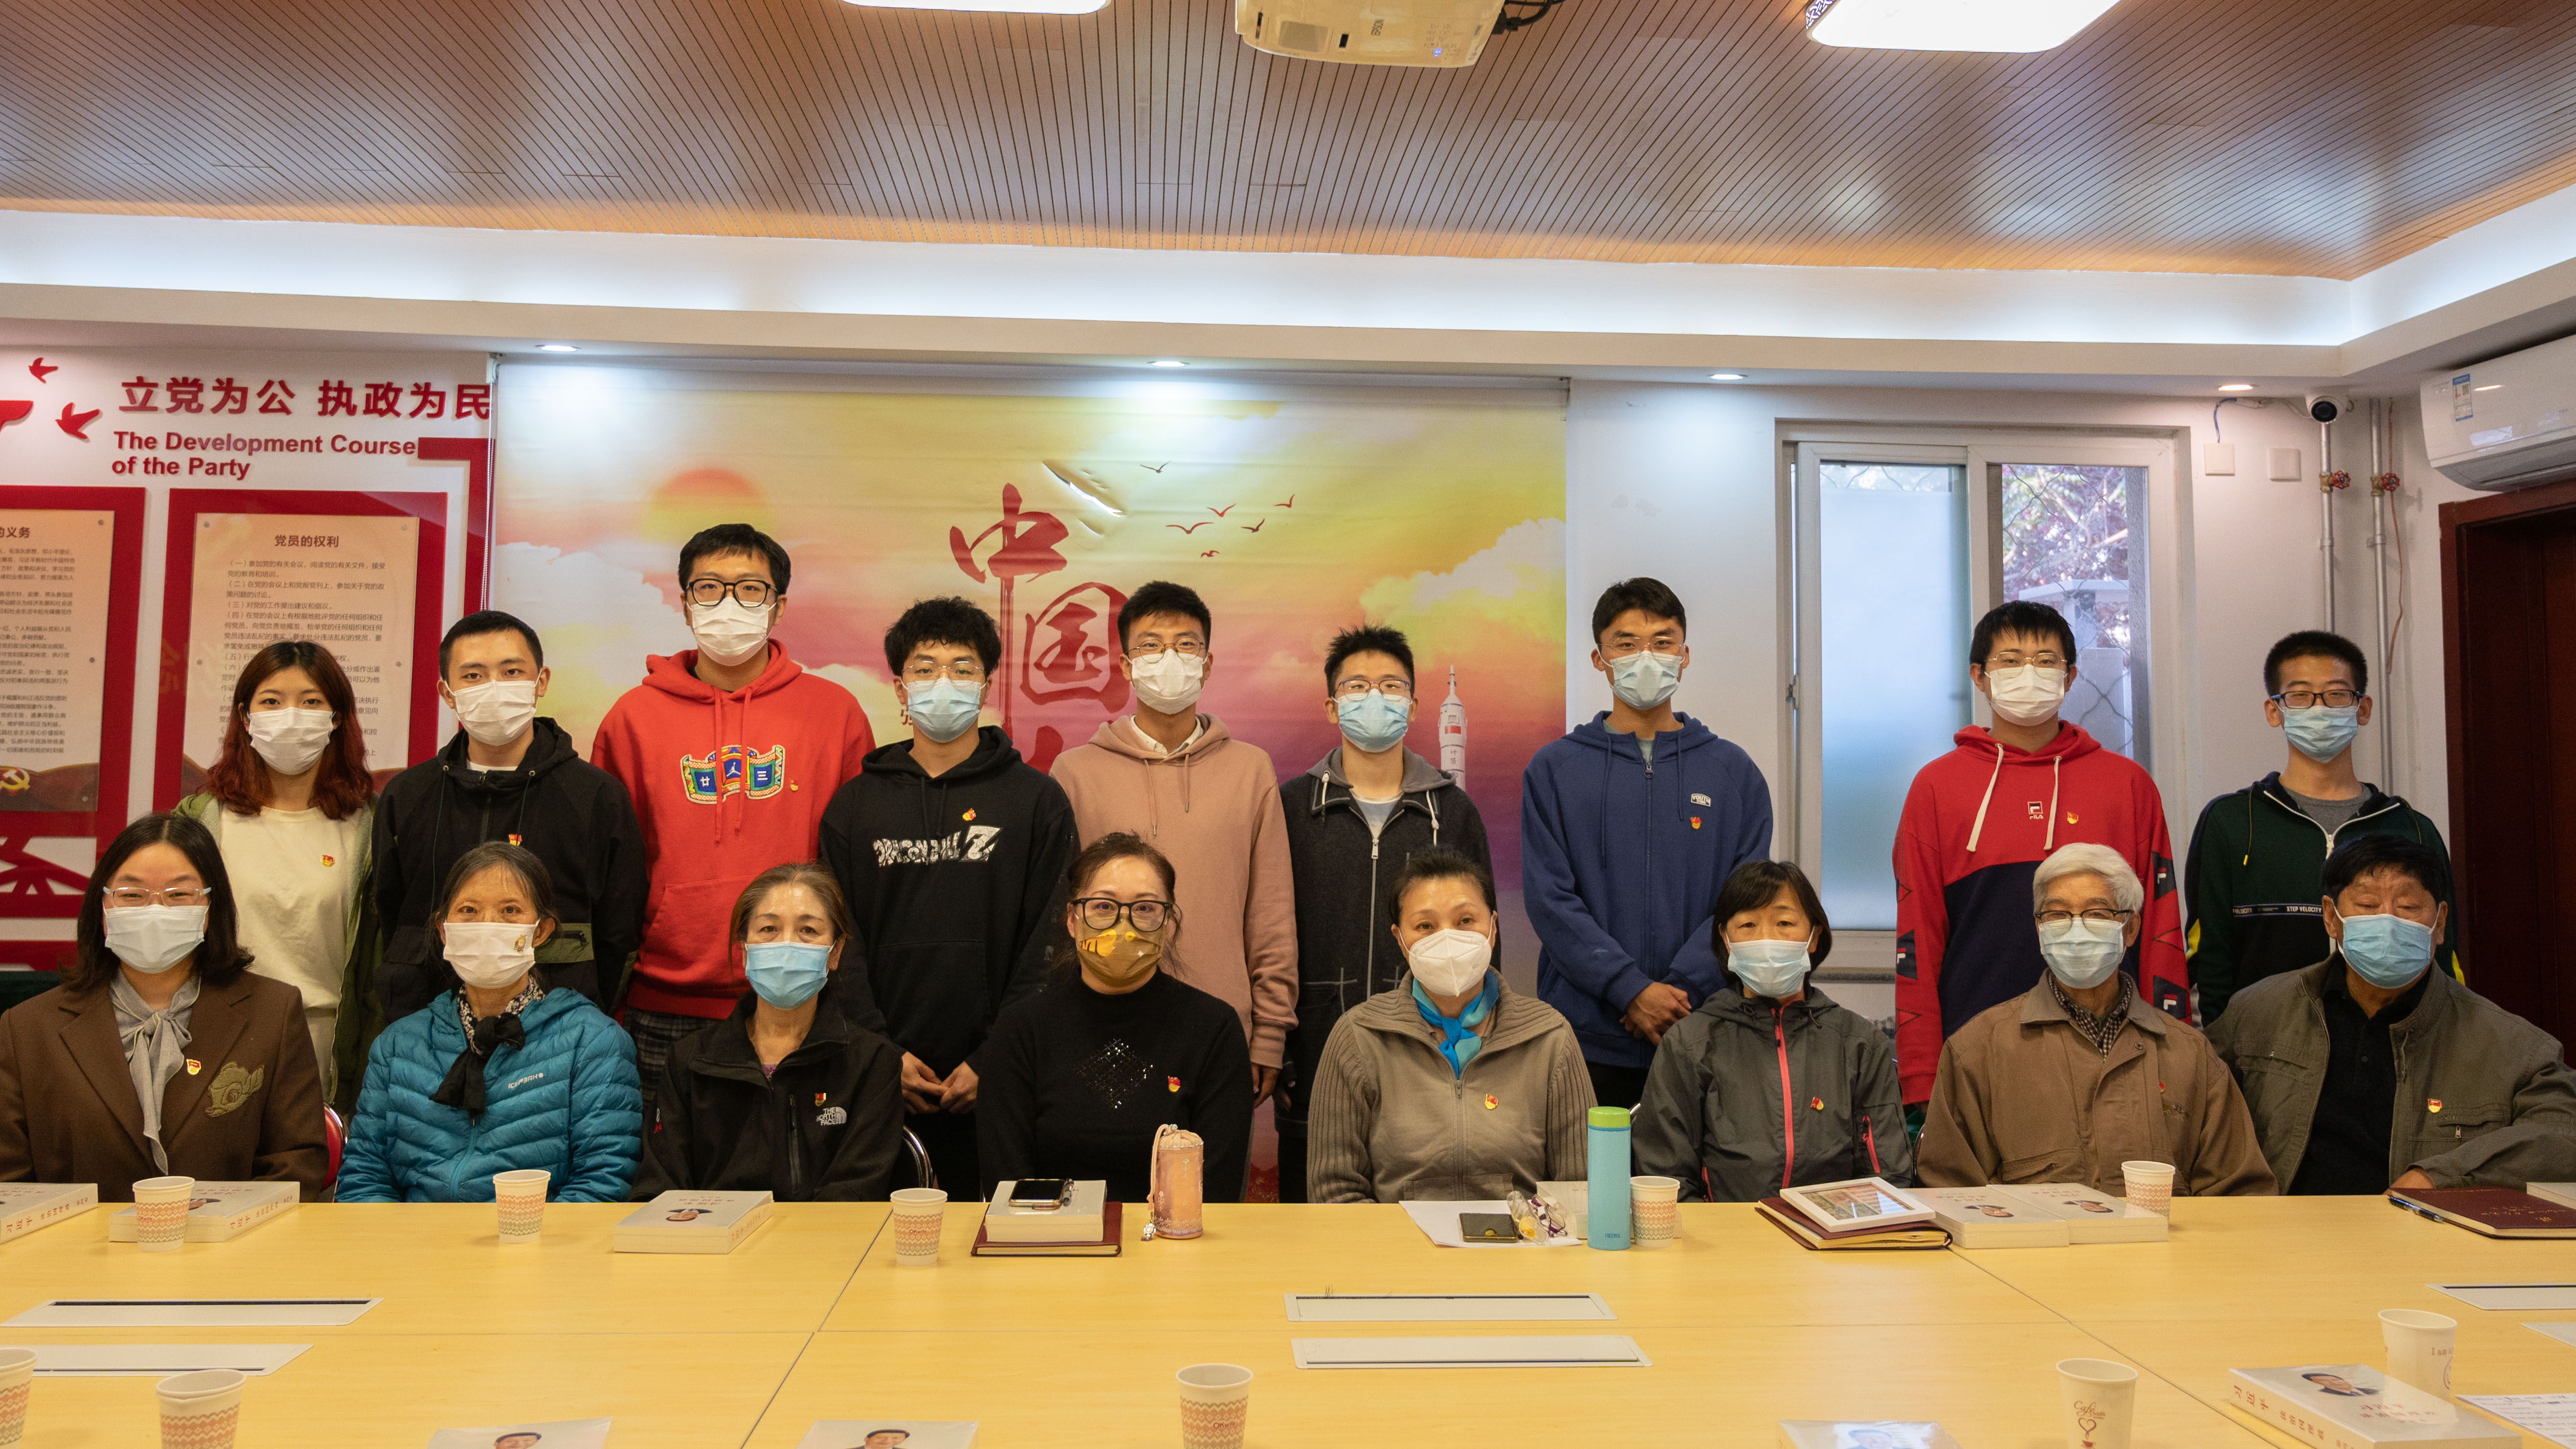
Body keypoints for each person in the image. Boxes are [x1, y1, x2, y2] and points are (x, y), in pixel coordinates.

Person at [592, 524, 875, 1117]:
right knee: (671, 1169)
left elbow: (854, 866)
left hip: (802, 993)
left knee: (802, 1164)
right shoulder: (632, 718)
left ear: (778, 606)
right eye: (709, 588)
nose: (728, 604)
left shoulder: (834, 713)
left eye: (749, 589)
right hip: (666, 1001)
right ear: (685, 602)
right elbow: (612, 872)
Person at [819, 596, 1079, 1195]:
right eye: (925, 668)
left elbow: (1051, 940)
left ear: (985, 687)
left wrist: (997, 1057)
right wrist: (879, 1053)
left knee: (996, 1236)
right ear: (900, 687)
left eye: (962, 669)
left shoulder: (1037, 801)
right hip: (882, 1075)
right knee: (884, 1237)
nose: (944, 683)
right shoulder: (854, 806)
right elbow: (837, 940)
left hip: (1004, 1074)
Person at [1892, 600, 2184, 1106]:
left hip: (2116, 1054)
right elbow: (1918, 938)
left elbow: (2160, 926)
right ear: (1979, 677)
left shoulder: (2127, 785)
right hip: (1977, 1053)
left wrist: (2174, 1050)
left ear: (2069, 677)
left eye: (2045, 660)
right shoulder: (1936, 787)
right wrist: (1921, 1076)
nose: (2028, 673)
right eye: (2009, 660)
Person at [1521, 577, 1773, 1110]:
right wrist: (1629, 989)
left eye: (1662, 642)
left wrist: (1682, 989)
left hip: (1705, 1030)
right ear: (1599, 659)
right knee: (1589, 1166)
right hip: (1586, 1038)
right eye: (1627, 643)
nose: (1646, 657)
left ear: (1684, 655)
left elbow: (1746, 903)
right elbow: (1550, 900)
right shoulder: (1555, 770)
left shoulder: (1733, 772)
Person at [363, 610, 646, 1081]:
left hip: (557, 1041)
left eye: (512, 671)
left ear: (541, 681)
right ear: (447, 693)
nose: (493, 687)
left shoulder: (596, 797)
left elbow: (619, 931)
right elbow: (392, 914)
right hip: (426, 1036)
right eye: (473, 675)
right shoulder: (407, 796)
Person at [2207, 834, 2576, 1193]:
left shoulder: (2511, 1046)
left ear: (2440, 923)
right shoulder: (2257, 1012)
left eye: (2408, 907)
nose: (2387, 920)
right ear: (2331, 918)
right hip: (2278, 1228)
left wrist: (2442, 1177)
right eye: (2368, 905)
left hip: (2419, 1230)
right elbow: (2192, 1101)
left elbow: (2564, 1135)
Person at [1048, 581, 1295, 1105]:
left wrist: (1270, 1032)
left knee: (1209, 1160)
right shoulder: (1074, 773)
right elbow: (1058, 917)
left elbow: (1271, 911)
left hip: (1222, 1026)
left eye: (1186, 645)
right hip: (1099, 1024)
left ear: (1206, 664)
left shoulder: (1251, 770)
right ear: (1125, 665)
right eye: (1151, 645)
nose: (1169, 659)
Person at [1915, 843, 2274, 1198]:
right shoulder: (1977, 1052)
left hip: (2159, 1240)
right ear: (2039, 928)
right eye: (2057, 914)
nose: (2076, 930)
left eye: (2097, 913)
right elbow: (1948, 1197)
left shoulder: (2192, 1057)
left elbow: (2240, 1198)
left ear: (2130, 928)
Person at [0, 812, 329, 1200]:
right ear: (101, 906)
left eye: (178, 896)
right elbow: (10, 1182)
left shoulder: (273, 1012)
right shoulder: (27, 1028)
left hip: (231, 1237)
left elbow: (296, 1164)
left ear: (211, 906)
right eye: (132, 895)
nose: (154, 911)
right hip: (74, 1238)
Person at [1278, 625, 1492, 1203]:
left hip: (1429, 1054)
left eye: (1391, 686)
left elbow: (1479, 941)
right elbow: (1268, 933)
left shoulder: (1453, 811)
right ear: (1332, 706)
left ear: (1414, 706)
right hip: (1315, 1054)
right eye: (1357, 686)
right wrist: (1281, 1048)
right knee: (1317, 1219)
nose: (1375, 698)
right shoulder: (1291, 808)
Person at [338, 842, 641, 1203]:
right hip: (416, 1236)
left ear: (541, 931)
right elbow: (364, 1178)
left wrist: (525, 1238)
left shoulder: (593, 1042)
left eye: (510, 910)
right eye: (469, 910)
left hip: (536, 1235)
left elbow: (603, 1180)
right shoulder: (397, 1045)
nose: (487, 926)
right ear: (444, 930)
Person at [2186, 630, 2459, 1025]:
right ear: (2274, 711)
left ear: (2362, 709)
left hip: (2393, 1045)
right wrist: (2220, 1047)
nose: (2319, 708)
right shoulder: (2231, 822)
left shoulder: (2411, 829)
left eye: (2336, 694)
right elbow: (2209, 957)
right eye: (2299, 695)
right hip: (2262, 1045)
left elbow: (2444, 957)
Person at [976, 833, 1254, 1203]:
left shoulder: (1214, 1030)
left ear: (1169, 924)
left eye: (1145, 908)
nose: (1124, 926)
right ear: (1072, 920)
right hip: (1046, 1235)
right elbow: (1008, 1188)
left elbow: (1216, 1193)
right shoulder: (1020, 1031)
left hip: (1173, 1237)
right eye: (1104, 906)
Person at [1306, 849, 1588, 1203]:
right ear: (1400, 939)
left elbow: (1580, 1191)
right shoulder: (1359, 1036)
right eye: (1425, 926)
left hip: (1520, 1238)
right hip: (1396, 1239)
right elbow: (1334, 1194)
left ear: (1493, 928)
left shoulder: (1549, 1037)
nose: (1447, 938)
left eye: (1465, 920)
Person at [1632, 860, 1913, 1201]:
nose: (1766, 938)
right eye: (1748, 925)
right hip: (1723, 1230)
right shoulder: (1689, 1043)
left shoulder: (1859, 1044)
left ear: (1814, 937)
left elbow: (1889, 1176)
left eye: (1784, 923)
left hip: (1830, 1229)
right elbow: (1666, 1178)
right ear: (1726, 940)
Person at [176, 640, 377, 1103]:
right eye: (271, 701)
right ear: (245, 717)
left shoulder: (371, 825)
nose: (291, 716)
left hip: (329, 1043)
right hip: (220, 1034)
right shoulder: (203, 820)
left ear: (337, 718)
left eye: (311, 702)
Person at [631, 864, 905, 1201]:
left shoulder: (873, 1062)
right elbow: (658, 1190)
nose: (787, 945)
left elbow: (855, 1192)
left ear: (834, 953)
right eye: (769, 929)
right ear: (745, 949)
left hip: (825, 1234)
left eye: (808, 930)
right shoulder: (690, 1061)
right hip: (710, 1233)